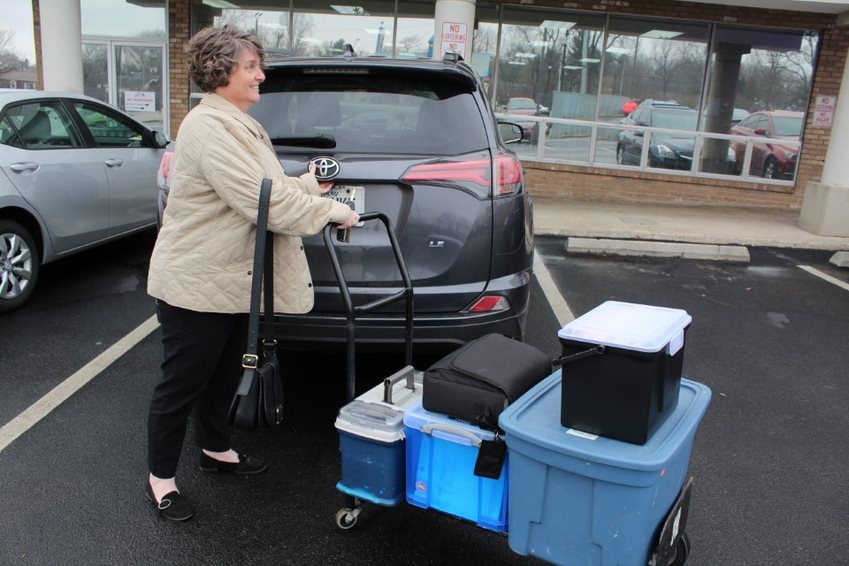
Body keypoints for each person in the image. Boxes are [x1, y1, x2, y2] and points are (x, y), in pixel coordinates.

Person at [145, 25, 359, 522]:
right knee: (182, 385)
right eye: (250, 67)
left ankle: (215, 449)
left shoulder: (237, 122)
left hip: (231, 279)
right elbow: (262, 202)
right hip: (196, 283)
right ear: (220, 72)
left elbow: (270, 186)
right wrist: (332, 213)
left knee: (223, 376)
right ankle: (161, 479)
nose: (261, 74)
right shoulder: (207, 127)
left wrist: (309, 184)